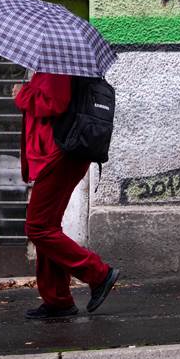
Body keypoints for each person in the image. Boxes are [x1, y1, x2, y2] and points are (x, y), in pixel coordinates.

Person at [12, 71, 120, 319]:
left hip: (59, 155)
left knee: (38, 227)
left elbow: (54, 103)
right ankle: (57, 300)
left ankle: (99, 274)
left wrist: (23, 94)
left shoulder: (57, 67)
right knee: (47, 227)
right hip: (61, 154)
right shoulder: (58, 66)